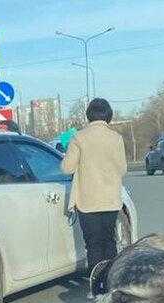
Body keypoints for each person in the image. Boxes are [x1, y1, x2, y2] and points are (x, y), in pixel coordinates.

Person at [60, 98, 127, 273]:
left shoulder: (79, 137)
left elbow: (67, 169)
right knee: (109, 241)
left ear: (89, 115)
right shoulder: (116, 138)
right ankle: (111, 283)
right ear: (108, 116)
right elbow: (123, 169)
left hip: (87, 202)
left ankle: (96, 286)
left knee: (93, 244)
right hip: (111, 200)